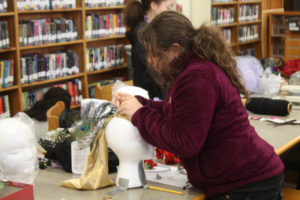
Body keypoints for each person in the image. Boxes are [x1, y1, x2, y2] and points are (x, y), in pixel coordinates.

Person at [114, 11, 284, 200]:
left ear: (175, 49)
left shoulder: (196, 77)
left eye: (155, 54)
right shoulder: (186, 71)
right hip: (242, 180)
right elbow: (178, 111)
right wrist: (140, 104)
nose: (150, 61)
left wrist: (140, 114)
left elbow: (185, 142)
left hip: (247, 184)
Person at [124, 0, 176, 99]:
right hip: (149, 94)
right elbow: (147, 70)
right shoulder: (141, 34)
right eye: (168, 7)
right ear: (153, 5)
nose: (170, 12)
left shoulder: (156, 28)